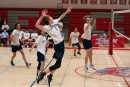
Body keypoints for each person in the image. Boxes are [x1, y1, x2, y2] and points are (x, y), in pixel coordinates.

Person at [35, 7, 71, 86]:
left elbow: (61, 17)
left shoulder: (55, 21)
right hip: (58, 45)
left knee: (57, 64)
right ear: (48, 20)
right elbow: (36, 25)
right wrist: (42, 16)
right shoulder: (46, 27)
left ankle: (50, 76)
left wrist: (67, 11)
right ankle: (43, 74)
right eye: (50, 17)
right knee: (58, 64)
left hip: (61, 44)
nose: (52, 17)